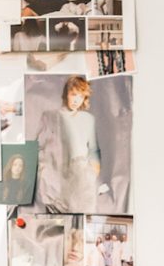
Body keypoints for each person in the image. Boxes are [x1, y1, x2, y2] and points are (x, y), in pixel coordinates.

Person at [36, 76, 109, 213]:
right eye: (73, 94)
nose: (76, 100)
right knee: (57, 218)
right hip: (56, 172)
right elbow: (40, 147)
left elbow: (93, 150)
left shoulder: (88, 119)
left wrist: (92, 173)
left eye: (81, 96)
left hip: (80, 173)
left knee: (81, 217)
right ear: (66, 94)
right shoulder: (49, 116)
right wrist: (45, 172)